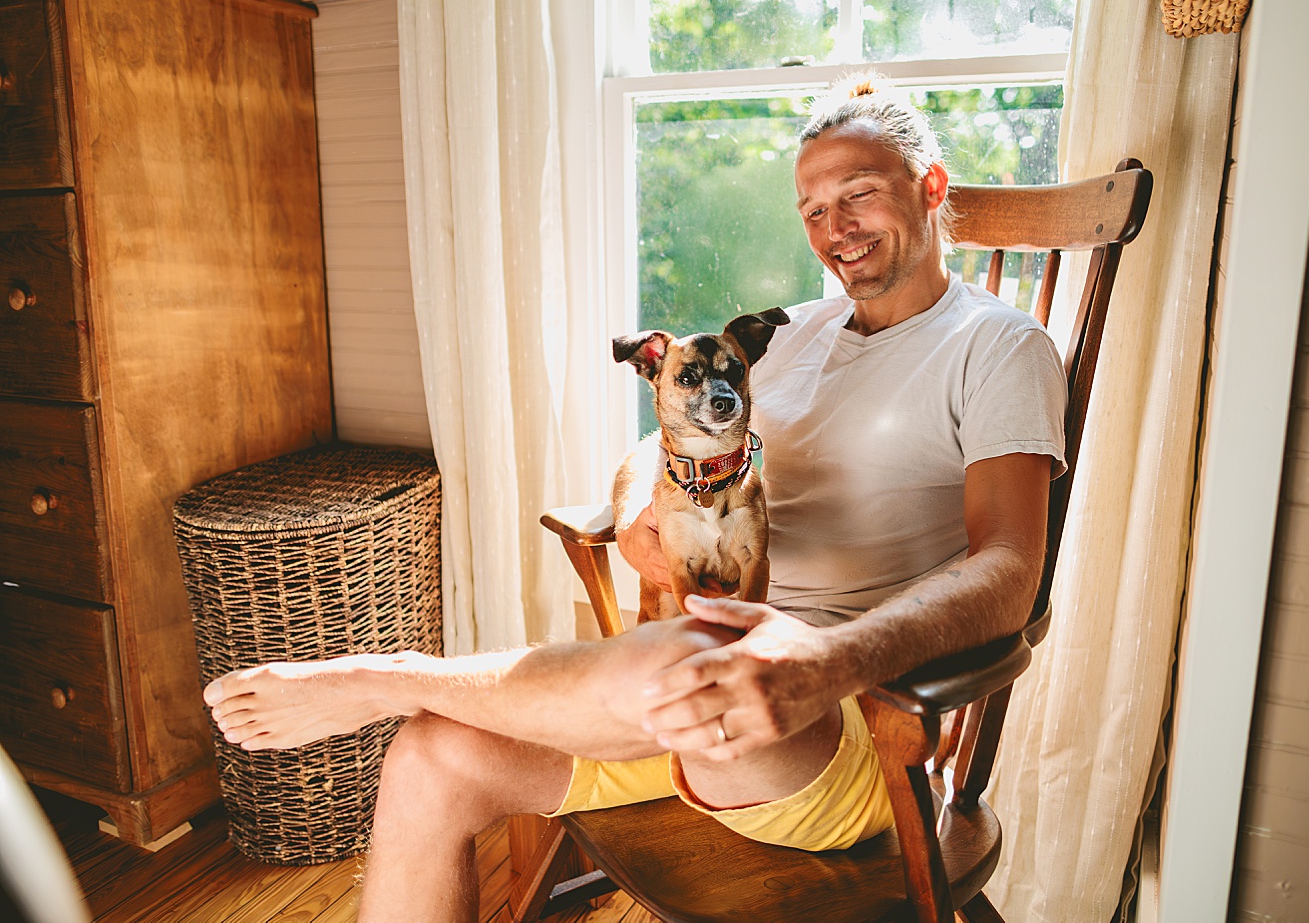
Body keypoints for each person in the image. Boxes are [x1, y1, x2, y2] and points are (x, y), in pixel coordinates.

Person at [203, 75, 1067, 922]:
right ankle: (413, 696)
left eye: (860, 195)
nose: (834, 228)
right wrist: (630, 517)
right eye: (811, 208)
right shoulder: (793, 332)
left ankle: (389, 675)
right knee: (432, 755)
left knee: (686, 651)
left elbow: (1007, 571)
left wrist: (830, 662)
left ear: (930, 189)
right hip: (689, 691)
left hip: (852, 728)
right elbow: (658, 442)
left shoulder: (997, 347)